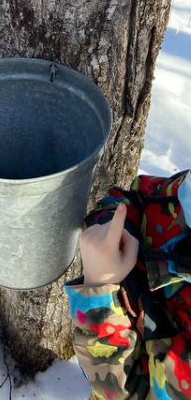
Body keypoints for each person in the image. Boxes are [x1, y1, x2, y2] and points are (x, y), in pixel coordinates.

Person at [64, 170, 191, 400]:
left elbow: (134, 393)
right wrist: (110, 220)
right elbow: (144, 193)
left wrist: (99, 290)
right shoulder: (186, 193)